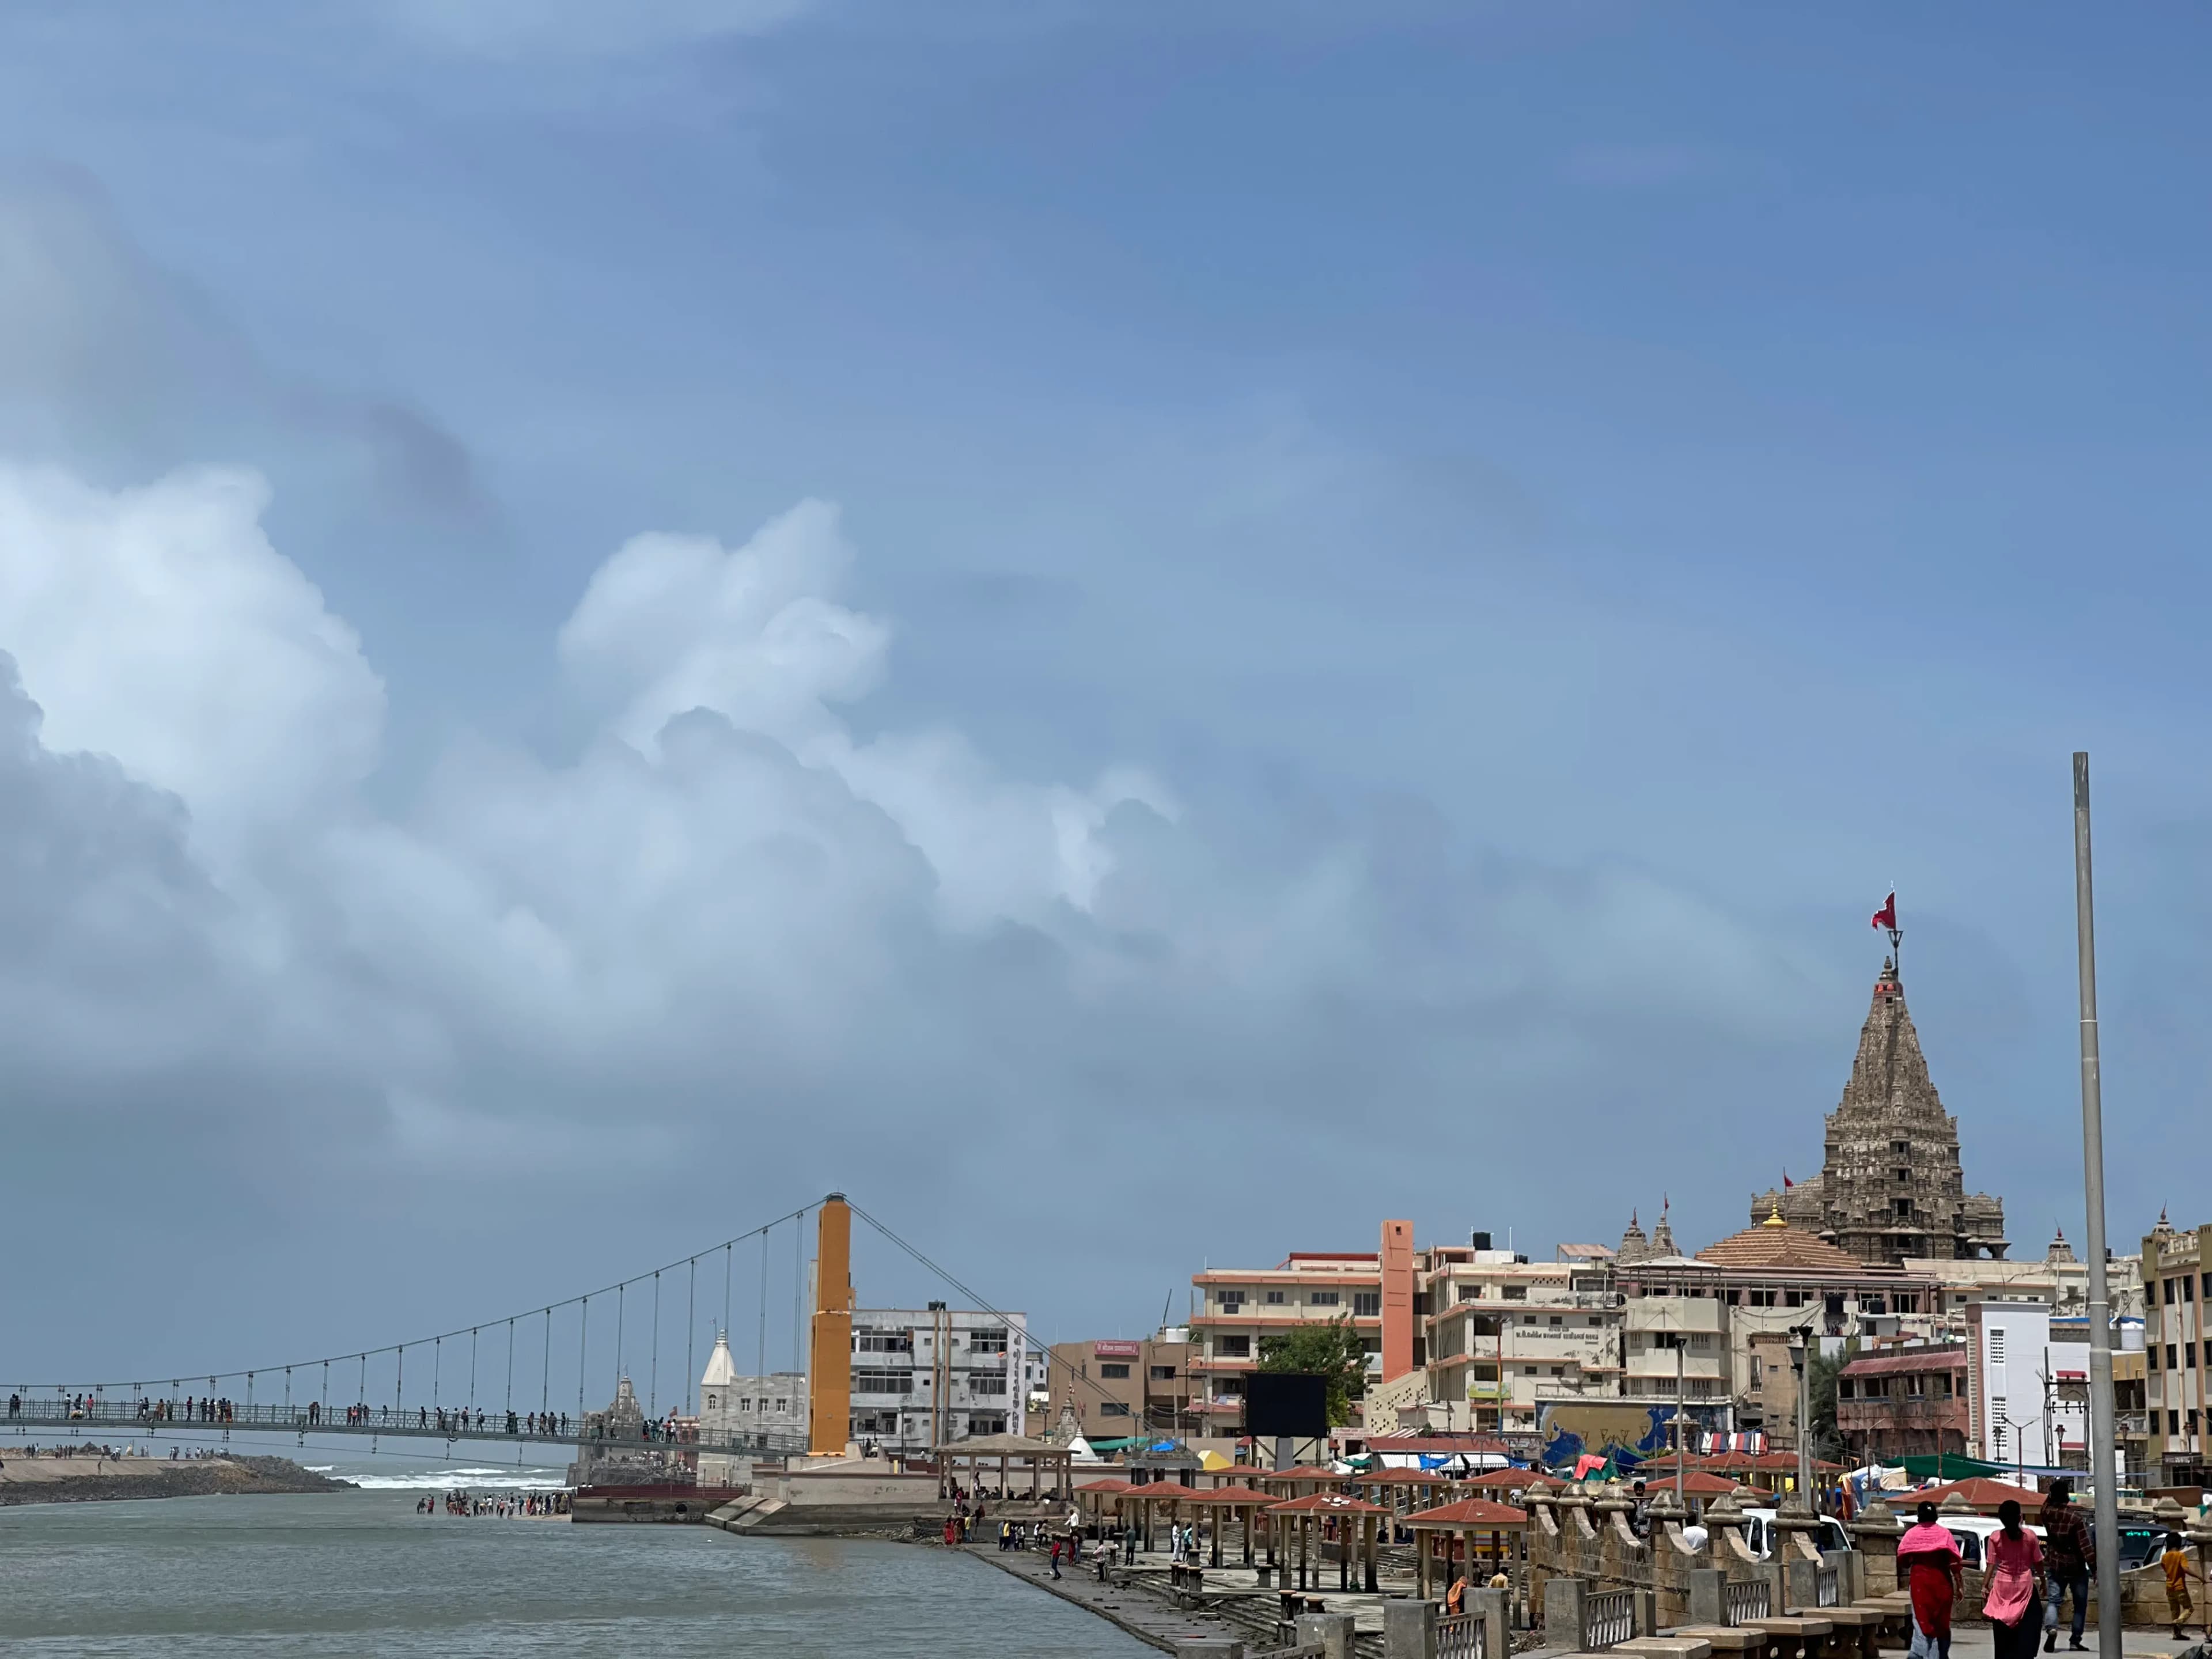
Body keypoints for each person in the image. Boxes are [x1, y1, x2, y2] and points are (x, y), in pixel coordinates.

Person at [1897, 1500, 1964, 1659]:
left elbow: (1903, 1560)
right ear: (1935, 1515)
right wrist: (1960, 1585)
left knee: (1921, 1620)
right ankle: (1939, 1655)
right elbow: (1954, 1562)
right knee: (1941, 1621)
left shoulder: (1911, 1534)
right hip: (1942, 1581)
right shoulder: (1944, 1534)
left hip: (1920, 1581)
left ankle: (1919, 1654)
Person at [1984, 1499, 2046, 1659]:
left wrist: (1984, 1585)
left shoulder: (1995, 1538)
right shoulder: (2030, 1536)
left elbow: (1991, 1563)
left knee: (2002, 1634)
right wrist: (2044, 1581)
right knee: (2029, 1630)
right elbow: (2038, 1562)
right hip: (2025, 1587)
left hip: (2001, 1590)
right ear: (2020, 1517)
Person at [2039, 1478, 2093, 1653]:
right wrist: (2095, 1568)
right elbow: (2085, 1546)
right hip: (2076, 1566)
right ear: (2066, 1496)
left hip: (2055, 1563)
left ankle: (2052, 1629)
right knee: (2080, 1605)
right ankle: (2075, 1640)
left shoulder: (2046, 1511)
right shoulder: (2075, 1518)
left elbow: (2047, 1501)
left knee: (2054, 1601)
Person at [2164, 1531, 2197, 1640]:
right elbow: (2185, 1569)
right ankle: (2178, 1622)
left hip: (2169, 1587)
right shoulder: (2180, 1555)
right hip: (2180, 1587)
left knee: (2175, 1611)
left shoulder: (2165, 1557)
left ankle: (2177, 1634)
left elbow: (2165, 1569)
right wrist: (2199, 1577)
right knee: (2189, 1608)